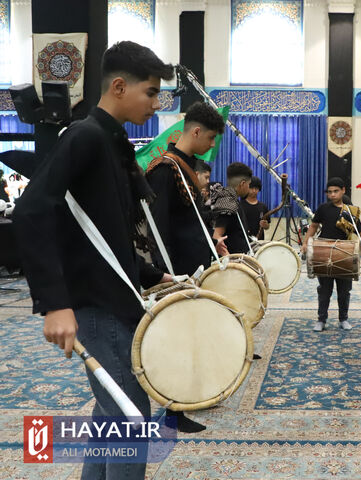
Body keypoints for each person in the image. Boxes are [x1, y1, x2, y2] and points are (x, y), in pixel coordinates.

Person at [12, 41, 175, 479]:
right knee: (130, 418)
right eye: (151, 92)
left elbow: (105, 235)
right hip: (95, 307)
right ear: (119, 86)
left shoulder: (111, 141)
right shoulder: (86, 135)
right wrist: (55, 303)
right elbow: (31, 211)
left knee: (111, 417)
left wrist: (159, 275)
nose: (156, 104)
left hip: (114, 302)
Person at [145, 101, 226, 276]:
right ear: (196, 132)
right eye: (211, 137)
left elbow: (187, 221)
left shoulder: (187, 167)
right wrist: (166, 273)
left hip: (196, 269)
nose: (213, 144)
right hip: (178, 273)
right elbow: (157, 227)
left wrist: (210, 239)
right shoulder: (165, 169)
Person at [301, 177, 361, 332]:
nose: (332, 195)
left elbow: (359, 230)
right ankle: (321, 319)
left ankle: (343, 319)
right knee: (324, 290)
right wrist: (306, 243)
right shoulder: (323, 208)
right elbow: (313, 226)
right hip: (324, 253)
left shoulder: (351, 211)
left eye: (336, 191)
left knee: (344, 291)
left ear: (343, 190)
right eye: (330, 192)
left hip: (345, 255)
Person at [212, 162, 254, 255]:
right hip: (232, 264)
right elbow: (216, 236)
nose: (248, 188)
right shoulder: (227, 202)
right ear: (242, 184)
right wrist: (230, 261)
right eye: (249, 184)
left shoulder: (232, 200)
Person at [241, 176, 270, 240]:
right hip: (244, 242)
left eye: (256, 188)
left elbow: (267, 226)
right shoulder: (240, 206)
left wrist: (265, 225)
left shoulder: (263, 206)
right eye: (251, 188)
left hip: (259, 242)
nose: (254, 191)